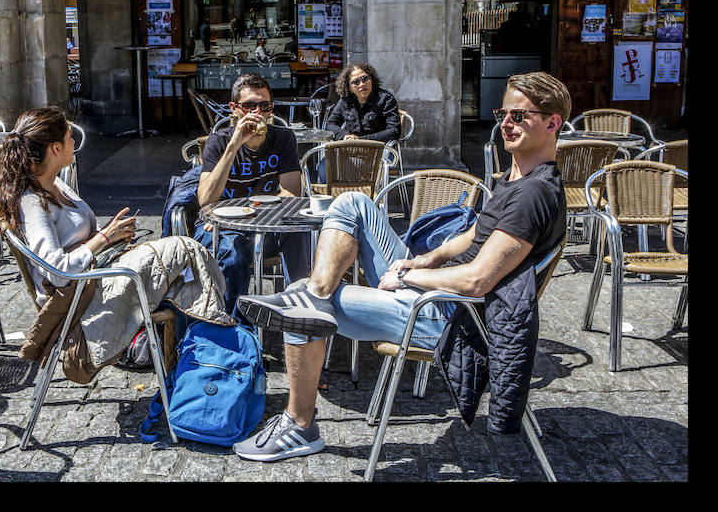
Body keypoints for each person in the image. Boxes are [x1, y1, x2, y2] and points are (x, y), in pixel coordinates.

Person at [232, 71, 570, 462]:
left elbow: (477, 281)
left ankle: (299, 425)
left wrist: (411, 275)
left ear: (552, 122)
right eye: (503, 114)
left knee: (296, 307)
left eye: (519, 116)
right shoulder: (518, 177)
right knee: (351, 204)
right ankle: (316, 296)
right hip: (433, 289)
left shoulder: (534, 194)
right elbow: (477, 231)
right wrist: (429, 256)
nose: (507, 125)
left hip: (447, 315)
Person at [0, 107, 230, 369]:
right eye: (70, 137)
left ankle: (199, 348)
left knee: (184, 266)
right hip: (82, 296)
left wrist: (112, 237)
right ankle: (216, 339)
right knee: (184, 250)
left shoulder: (55, 184)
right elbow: (57, 272)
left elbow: (78, 242)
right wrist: (105, 237)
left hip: (100, 274)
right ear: (56, 148)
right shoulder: (32, 202)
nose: (74, 142)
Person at [194, 73, 311, 316]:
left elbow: (291, 194)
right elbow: (206, 201)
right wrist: (234, 145)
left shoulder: (283, 137)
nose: (257, 112)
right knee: (235, 253)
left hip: (264, 226)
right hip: (219, 228)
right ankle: (234, 325)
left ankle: (299, 310)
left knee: (299, 231)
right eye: (249, 106)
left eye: (264, 106)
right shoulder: (218, 142)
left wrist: (252, 214)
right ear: (234, 109)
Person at [318, 62, 401, 182]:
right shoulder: (345, 100)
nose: (362, 84)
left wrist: (363, 140)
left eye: (365, 79)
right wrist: (345, 136)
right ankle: (338, 199)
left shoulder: (385, 99)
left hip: (380, 150)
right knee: (324, 167)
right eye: (356, 82)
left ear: (371, 79)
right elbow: (330, 124)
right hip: (351, 149)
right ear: (349, 87)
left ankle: (359, 198)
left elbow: (394, 131)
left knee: (347, 169)